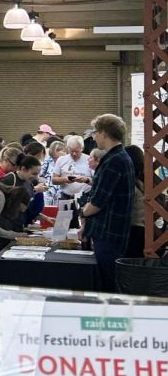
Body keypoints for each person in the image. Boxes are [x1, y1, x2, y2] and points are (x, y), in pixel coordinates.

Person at [79, 114, 136, 290]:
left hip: (108, 233)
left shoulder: (113, 161)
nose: (94, 137)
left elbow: (98, 201)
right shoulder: (120, 157)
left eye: (95, 132)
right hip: (113, 232)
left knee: (109, 284)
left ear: (104, 133)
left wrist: (82, 212)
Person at [52, 135, 93, 200]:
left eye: (77, 151)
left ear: (82, 148)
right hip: (65, 196)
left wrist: (86, 180)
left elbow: (97, 182)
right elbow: (54, 180)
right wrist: (65, 179)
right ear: (68, 148)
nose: (74, 154)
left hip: (85, 196)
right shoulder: (61, 160)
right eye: (71, 151)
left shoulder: (89, 160)